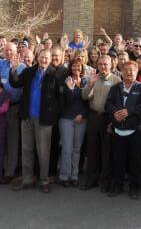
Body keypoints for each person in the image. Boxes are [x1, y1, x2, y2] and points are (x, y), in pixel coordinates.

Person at [10, 49, 60, 193]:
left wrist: (52, 116)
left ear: (50, 59)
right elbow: (15, 84)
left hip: (44, 120)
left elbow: (59, 99)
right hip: (27, 117)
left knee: (43, 151)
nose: (44, 60)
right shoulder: (28, 72)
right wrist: (13, 69)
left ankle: (44, 180)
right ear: (37, 58)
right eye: (42, 57)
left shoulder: (55, 74)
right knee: (26, 149)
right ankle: (27, 180)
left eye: (47, 58)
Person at [104, 59, 141, 199]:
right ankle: (117, 186)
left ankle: (135, 187)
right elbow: (108, 103)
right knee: (118, 160)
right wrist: (114, 113)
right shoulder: (115, 87)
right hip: (118, 131)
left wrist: (129, 111)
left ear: (137, 72)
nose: (129, 72)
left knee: (134, 161)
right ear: (121, 72)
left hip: (134, 131)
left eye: (132, 70)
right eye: (126, 70)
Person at [0, 40, 25, 183]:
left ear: (16, 52)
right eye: (7, 50)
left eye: (12, 51)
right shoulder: (1, 63)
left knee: (12, 140)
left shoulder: (21, 67)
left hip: (14, 107)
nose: (9, 53)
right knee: (0, 139)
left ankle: (10, 171)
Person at [80, 54, 120, 191]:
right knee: (92, 150)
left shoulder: (116, 80)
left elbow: (118, 102)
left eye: (106, 64)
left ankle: (105, 182)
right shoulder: (92, 78)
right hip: (93, 118)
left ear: (111, 66)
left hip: (108, 119)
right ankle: (91, 180)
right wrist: (90, 84)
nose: (103, 66)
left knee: (106, 151)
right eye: (101, 64)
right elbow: (84, 97)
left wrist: (113, 121)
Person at [58, 59, 88, 187]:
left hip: (81, 119)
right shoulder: (66, 81)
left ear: (82, 68)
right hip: (66, 119)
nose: (76, 68)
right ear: (70, 68)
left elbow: (88, 102)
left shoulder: (86, 81)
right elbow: (64, 102)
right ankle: (65, 176)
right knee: (67, 148)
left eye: (79, 66)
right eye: (74, 66)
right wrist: (70, 90)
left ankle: (74, 175)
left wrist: (83, 115)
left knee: (77, 148)